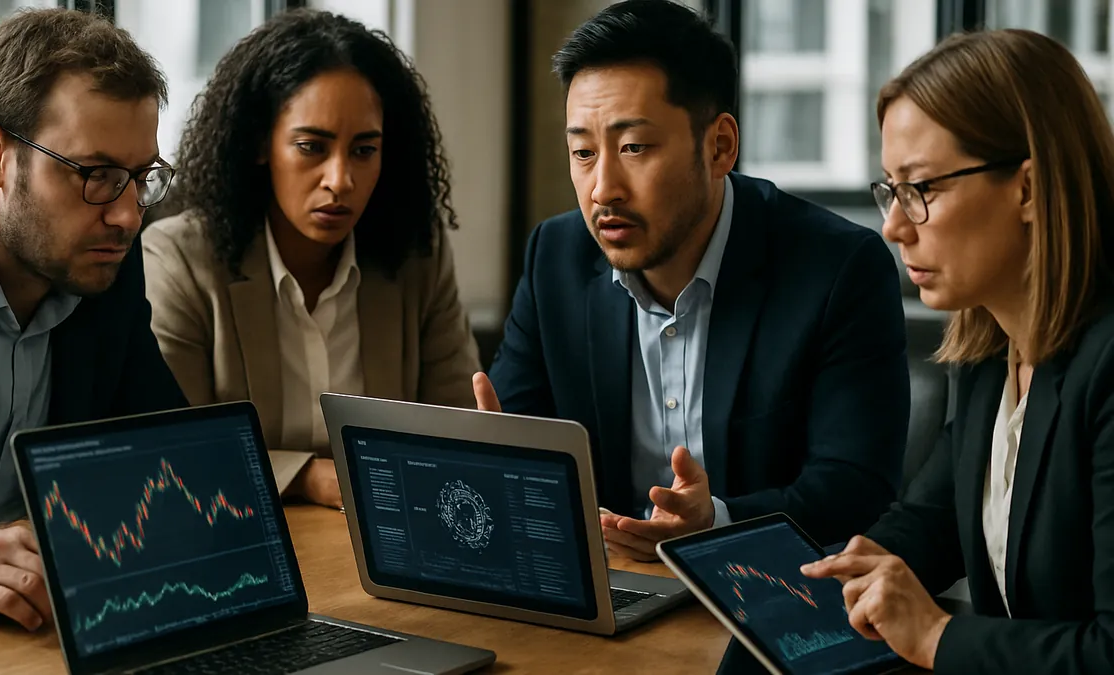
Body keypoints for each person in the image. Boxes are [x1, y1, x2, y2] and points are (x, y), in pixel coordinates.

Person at [473, 0, 910, 557]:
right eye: (582, 152)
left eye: (634, 147)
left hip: (760, 590)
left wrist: (717, 522)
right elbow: (520, 440)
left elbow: (856, 488)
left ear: (720, 145)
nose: (603, 187)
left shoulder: (835, 269)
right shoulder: (555, 257)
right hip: (610, 584)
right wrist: (492, 457)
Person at [800, 29, 1114, 674]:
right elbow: (929, 522)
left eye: (922, 188)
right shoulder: (987, 351)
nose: (892, 225)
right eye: (890, 189)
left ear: (1028, 189)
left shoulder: (1108, 366)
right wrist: (831, 577)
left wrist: (935, 637)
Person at [0, 9, 187, 631]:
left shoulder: (103, 265)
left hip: (36, 635)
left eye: (140, 178)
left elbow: (169, 459)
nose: (127, 216)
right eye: (96, 176)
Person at [142, 9, 480, 510]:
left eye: (364, 150)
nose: (340, 180)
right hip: (238, 542)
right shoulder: (181, 258)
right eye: (311, 147)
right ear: (261, 144)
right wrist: (307, 478)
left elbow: (456, 427)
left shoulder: (416, 256)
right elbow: (173, 449)